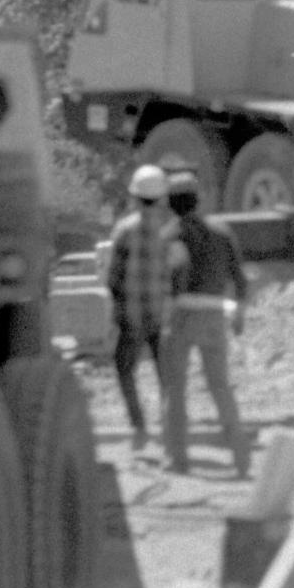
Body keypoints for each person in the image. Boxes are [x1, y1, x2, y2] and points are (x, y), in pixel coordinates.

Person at [159, 167, 254, 476]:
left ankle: (178, 459)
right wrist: (239, 313)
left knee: (175, 389)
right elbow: (240, 281)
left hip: (183, 315)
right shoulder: (222, 232)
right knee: (220, 387)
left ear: (170, 203)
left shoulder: (170, 235)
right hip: (215, 315)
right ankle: (241, 458)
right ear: (197, 200)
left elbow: (166, 281)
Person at [101, 163, 186, 455]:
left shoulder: (125, 230)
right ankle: (170, 433)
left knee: (124, 369)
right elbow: (177, 274)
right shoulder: (170, 231)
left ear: (136, 197)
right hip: (160, 316)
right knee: (166, 376)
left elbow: (112, 278)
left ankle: (139, 428)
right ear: (163, 197)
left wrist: (116, 308)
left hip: (131, 315)